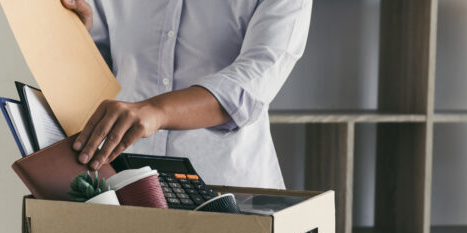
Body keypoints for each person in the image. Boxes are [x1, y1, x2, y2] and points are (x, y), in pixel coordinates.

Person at [62, 0, 312, 189]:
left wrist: (157, 111)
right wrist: (73, 34)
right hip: (124, 186)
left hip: (227, 194)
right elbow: (101, 63)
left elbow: (252, 83)